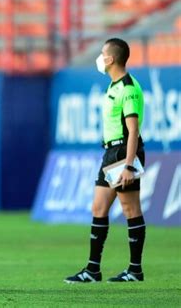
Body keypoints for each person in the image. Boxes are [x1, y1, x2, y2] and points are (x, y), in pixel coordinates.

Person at [65, 38, 146, 283]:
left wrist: (129, 165)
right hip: (110, 153)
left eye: (102, 54)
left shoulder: (128, 89)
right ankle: (92, 270)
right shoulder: (113, 86)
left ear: (110, 59)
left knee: (130, 209)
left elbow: (133, 130)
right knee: (98, 208)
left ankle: (135, 270)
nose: (99, 58)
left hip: (124, 152)